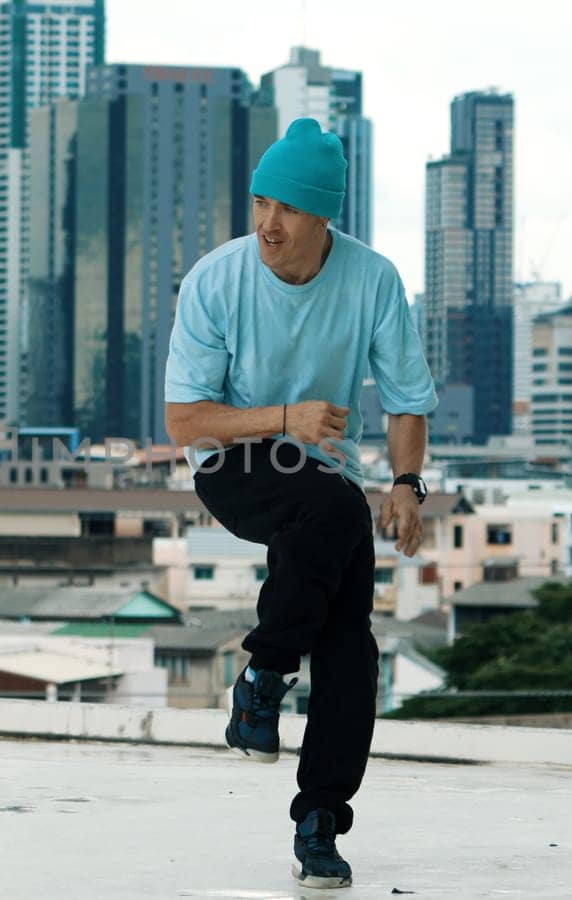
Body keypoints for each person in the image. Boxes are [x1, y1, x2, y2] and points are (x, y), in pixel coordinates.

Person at [163, 117, 437, 890]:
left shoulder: (370, 279)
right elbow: (184, 420)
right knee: (335, 510)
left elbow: (408, 399)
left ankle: (319, 819)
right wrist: (287, 419)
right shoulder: (218, 279)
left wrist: (407, 485)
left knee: (351, 641)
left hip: (324, 487)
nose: (267, 224)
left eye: (286, 208)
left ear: (324, 217)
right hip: (235, 463)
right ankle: (266, 675)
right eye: (259, 203)